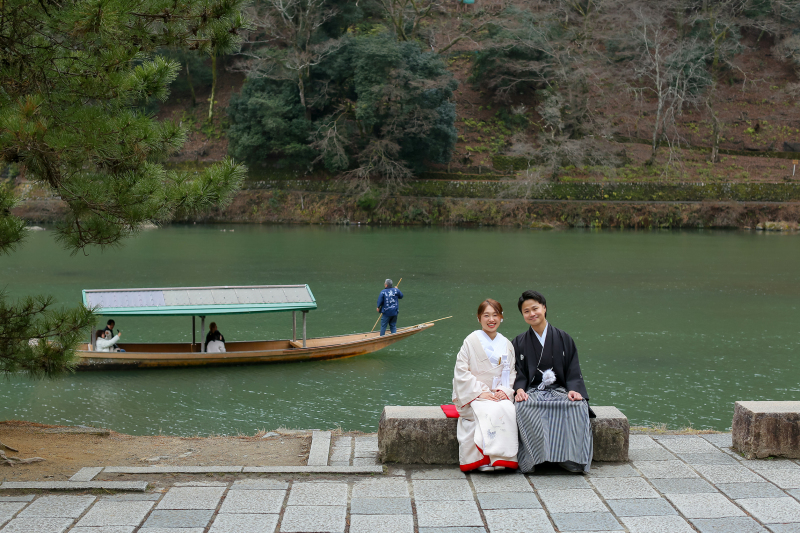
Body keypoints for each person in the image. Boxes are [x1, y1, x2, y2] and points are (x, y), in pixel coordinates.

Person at [512, 290, 595, 473]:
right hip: (532, 390)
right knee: (522, 407)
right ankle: (535, 459)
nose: (532, 314)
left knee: (577, 406)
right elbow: (517, 373)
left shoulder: (564, 338)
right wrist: (518, 390)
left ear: (544, 308)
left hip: (560, 390)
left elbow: (573, 371)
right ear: (523, 315)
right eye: (526, 311)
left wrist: (573, 389)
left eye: (535, 308)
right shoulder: (519, 342)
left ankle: (571, 459)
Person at [452, 299, 518, 472]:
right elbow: (461, 371)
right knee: (485, 410)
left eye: (495, 315)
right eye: (486, 315)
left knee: (506, 409)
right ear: (479, 318)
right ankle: (484, 460)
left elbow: (511, 372)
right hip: (474, 394)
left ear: (501, 317)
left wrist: (504, 391)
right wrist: (479, 393)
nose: (491, 319)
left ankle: (500, 458)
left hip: (498, 393)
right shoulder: (470, 341)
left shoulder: (507, 345)